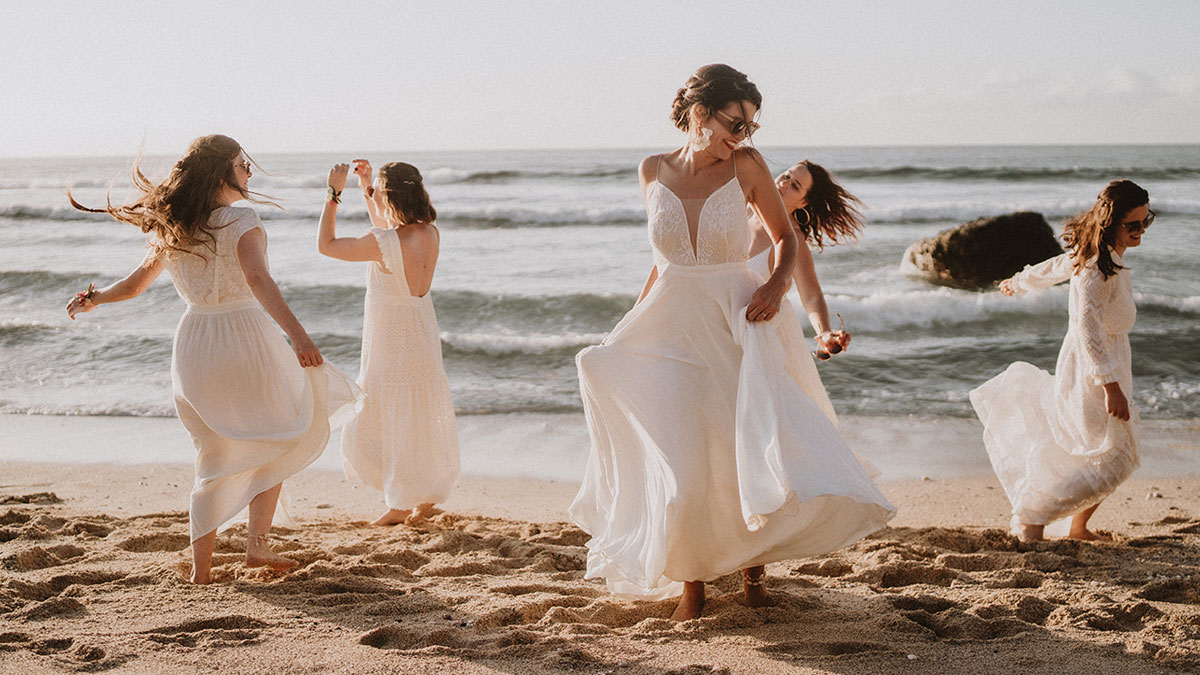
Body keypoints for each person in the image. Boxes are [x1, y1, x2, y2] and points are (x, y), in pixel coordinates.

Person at [569, 64, 894, 621]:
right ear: (699, 112)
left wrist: (773, 284)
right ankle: (692, 586)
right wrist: (632, 321)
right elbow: (660, 263)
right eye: (734, 122)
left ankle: (752, 566)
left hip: (735, 318)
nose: (742, 134)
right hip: (670, 318)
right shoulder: (652, 169)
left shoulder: (746, 165)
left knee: (736, 447)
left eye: (749, 125)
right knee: (682, 452)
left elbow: (786, 239)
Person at [66, 134, 362, 583]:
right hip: (245, 337)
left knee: (212, 452)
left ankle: (200, 571)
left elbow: (132, 287)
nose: (249, 170)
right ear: (223, 170)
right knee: (279, 431)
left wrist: (92, 299)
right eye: (243, 163)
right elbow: (259, 280)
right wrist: (299, 336)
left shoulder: (176, 225)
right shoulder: (242, 217)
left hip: (195, 342)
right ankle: (255, 549)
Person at [970, 179, 1151, 542]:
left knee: (1104, 450)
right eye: (1133, 225)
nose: (1140, 231)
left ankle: (1078, 527)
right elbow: (1088, 331)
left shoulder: (1100, 256)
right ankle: (1031, 518)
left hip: (1111, 361)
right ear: (1111, 223)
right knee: (1112, 456)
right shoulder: (1096, 270)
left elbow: (1055, 266)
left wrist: (1019, 281)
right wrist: (1110, 387)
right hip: (1093, 369)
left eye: (1146, 222)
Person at [316, 159, 459, 527]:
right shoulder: (429, 233)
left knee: (385, 409)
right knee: (415, 410)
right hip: (421, 329)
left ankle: (398, 502)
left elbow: (327, 246)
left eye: (379, 189)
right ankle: (420, 492)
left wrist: (333, 194)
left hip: (391, 335)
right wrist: (368, 186)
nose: (375, 194)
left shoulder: (384, 243)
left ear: (390, 194)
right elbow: (390, 233)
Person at [746, 160, 865, 357]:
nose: (784, 183)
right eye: (786, 176)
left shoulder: (794, 239)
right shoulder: (745, 206)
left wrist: (824, 332)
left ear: (803, 202)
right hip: (714, 326)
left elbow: (811, 295)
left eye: (795, 186)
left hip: (757, 341)